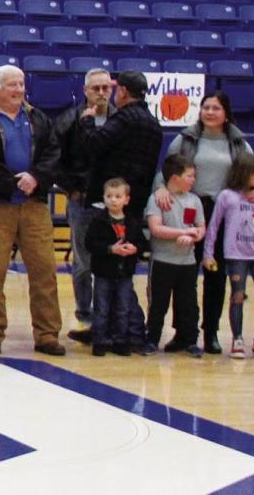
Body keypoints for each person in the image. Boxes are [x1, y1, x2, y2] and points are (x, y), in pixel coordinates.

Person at [0, 65, 67, 356]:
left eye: (21, 84)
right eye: (12, 85)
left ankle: (47, 334)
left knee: (45, 271)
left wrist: (36, 178)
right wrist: (11, 183)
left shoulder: (39, 118)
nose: (19, 90)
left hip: (34, 206)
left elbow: (53, 154)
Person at [153, 91, 254, 355]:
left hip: (223, 214)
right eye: (206, 107)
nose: (210, 112)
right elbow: (166, 170)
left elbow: (253, 172)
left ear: (226, 112)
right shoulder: (185, 139)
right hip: (190, 210)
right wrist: (160, 189)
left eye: (216, 108)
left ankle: (211, 333)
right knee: (184, 276)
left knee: (215, 275)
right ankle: (184, 334)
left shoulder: (238, 142)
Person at [71, 70, 165, 347]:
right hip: (133, 205)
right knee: (121, 273)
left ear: (122, 91)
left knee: (104, 271)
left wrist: (87, 122)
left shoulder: (123, 119)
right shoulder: (153, 122)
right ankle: (120, 328)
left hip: (108, 207)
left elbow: (93, 145)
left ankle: (124, 331)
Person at [55, 69, 111, 344]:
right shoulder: (70, 120)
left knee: (111, 261)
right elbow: (55, 157)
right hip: (82, 200)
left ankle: (108, 315)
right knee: (83, 262)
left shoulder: (119, 119)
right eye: (96, 88)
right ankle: (84, 313)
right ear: (85, 90)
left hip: (114, 204)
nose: (101, 93)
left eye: (105, 88)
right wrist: (71, 189)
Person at [204, 153, 254, 360]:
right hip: (235, 256)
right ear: (244, 173)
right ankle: (237, 339)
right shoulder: (227, 196)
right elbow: (214, 226)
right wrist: (208, 253)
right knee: (237, 296)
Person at [146, 154, 205, 356]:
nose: (193, 180)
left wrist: (194, 236)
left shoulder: (194, 200)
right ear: (174, 178)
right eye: (189, 176)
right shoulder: (156, 200)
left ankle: (190, 341)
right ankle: (152, 339)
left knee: (188, 303)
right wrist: (183, 233)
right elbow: (156, 228)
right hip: (163, 261)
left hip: (187, 262)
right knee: (158, 303)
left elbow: (200, 227)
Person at [83, 178, 148, 357]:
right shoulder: (98, 220)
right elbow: (90, 244)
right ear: (103, 198)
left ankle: (120, 340)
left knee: (123, 308)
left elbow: (143, 244)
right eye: (109, 196)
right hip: (103, 274)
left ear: (126, 199)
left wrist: (135, 249)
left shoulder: (132, 222)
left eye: (118, 196)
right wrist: (111, 249)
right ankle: (99, 341)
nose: (113, 200)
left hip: (125, 274)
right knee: (101, 309)